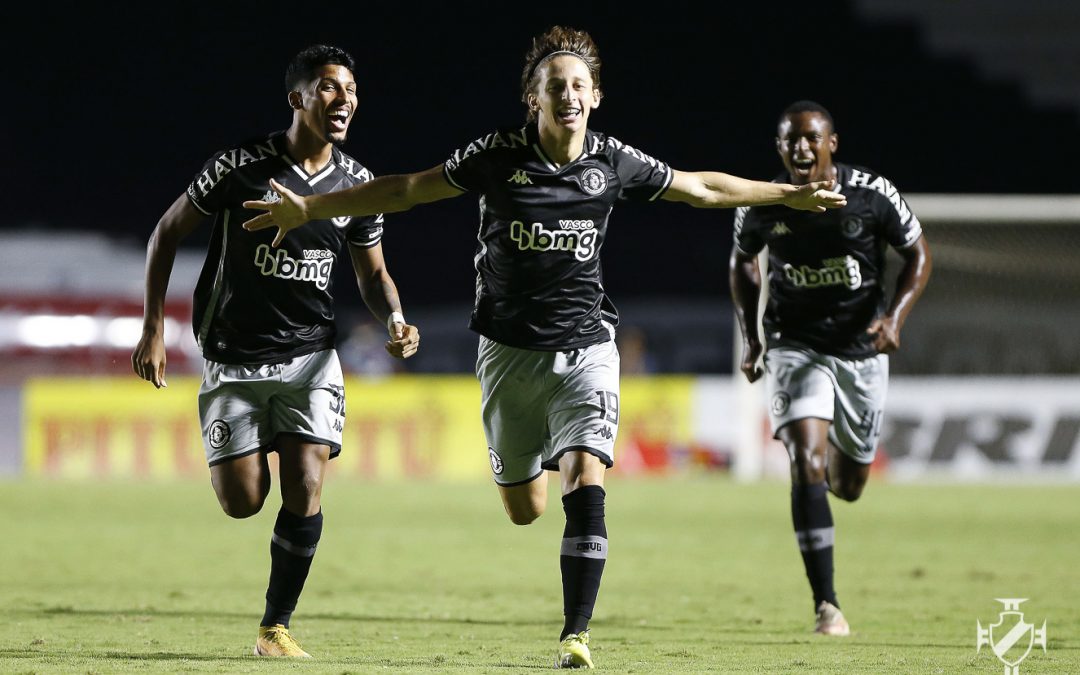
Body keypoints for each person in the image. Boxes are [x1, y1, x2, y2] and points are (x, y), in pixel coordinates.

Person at [241, 28, 844, 668]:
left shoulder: (612, 162)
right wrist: (310, 209)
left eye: (579, 85)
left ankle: (575, 635)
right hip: (508, 355)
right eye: (556, 85)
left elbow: (702, 189)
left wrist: (788, 195)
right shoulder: (498, 156)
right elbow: (408, 189)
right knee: (525, 507)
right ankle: (539, 469)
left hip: (587, 348)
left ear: (596, 96)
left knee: (587, 473)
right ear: (533, 98)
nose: (569, 95)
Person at [131, 44, 420, 658]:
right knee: (242, 502)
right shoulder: (240, 166)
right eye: (329, 87)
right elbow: (166, 232)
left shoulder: (357, 184)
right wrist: (153, 326)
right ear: (298, 97)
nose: (345, 100)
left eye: (351, 89)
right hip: (233, 357)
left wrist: (395, 317)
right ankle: (241, 444)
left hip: (312, 358)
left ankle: (275, 627)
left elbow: (372, 274)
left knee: (308, 481)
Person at [730, 100, 931, 636]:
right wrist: (751, 339)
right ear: (780, 148)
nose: (801, 147)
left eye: (811, 138)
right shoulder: (764, 204)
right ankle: (827, 605)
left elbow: (918, 254)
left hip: (861, 350)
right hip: (795, 345)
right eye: (790, 140)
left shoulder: (871, 195)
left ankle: (837, 476)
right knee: (805, 460)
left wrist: (895, 318)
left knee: (848, 483)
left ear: (831, 144)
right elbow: (743, 262)